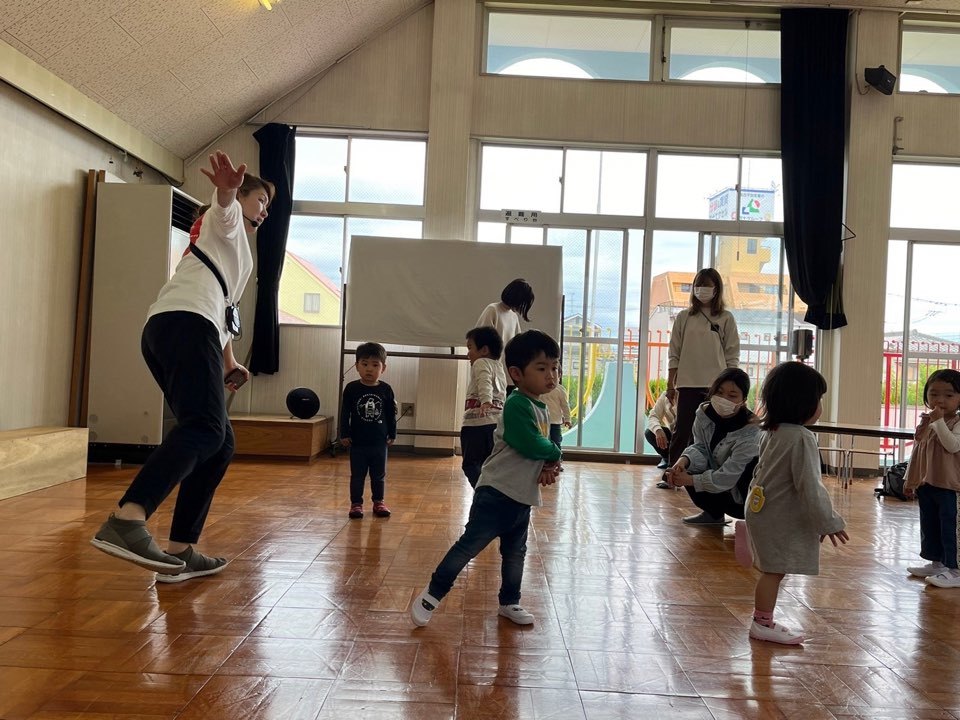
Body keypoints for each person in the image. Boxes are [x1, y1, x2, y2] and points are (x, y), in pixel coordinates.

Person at [90, 150, 274, 582]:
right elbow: (224, 211)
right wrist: (226, 192)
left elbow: (221, 308)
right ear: (242, 198)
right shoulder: (223, 222)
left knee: (219, 441)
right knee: (205, 428)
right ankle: (127, 518)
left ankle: (181, 549)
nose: (265, 210)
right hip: (185, 325)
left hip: (183, 328)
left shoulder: (231, 251)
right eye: (261, 200)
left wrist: (229, 361)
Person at [411, 330, 562, 627]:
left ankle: (510, 602)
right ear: (516, 373)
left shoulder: (541, 407)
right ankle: (433, 593)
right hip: (496, 494)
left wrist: (549, 463)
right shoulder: (517, 404)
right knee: (468, 546)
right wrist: (553, 454)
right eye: (542, 368)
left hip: (521, 497)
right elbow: (531, 443)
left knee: (515, 554)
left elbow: (546, 446)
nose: (551, 375)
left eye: (555, 367)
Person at [744, 362, 848, 645]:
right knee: (774, 571)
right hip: (776, 515)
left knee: (772, 568)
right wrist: (828, 521)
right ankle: (762, 624)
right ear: (803, 401)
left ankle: (763, 621)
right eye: (819, 399)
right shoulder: (801, 437)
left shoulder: (773, 431)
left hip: (762, 510)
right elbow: (810, 487)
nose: (820, 406)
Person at [666, 268, 740, 467]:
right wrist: (670, 384)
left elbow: (732, 354)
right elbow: (674, 353)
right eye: (698, 285)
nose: (702, 289)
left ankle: (710, 472)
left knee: (714, 431)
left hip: (716, 387)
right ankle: (673, 472)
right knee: (682, 430)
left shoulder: (726, 318)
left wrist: (731, 386)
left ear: (717, 289)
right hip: (687, 384)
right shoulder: (683, 317)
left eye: (707, 285)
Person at [666, 368, 759, 524]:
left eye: (732, 395)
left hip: (745, 499)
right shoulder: (704, 414)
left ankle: (749, 520)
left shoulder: (751, 429)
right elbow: (700, 447)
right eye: (719, 392)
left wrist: (689, 480)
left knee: (691, 477)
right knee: (686, 468)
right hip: (720, 483)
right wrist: (683, 461)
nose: (723, 399)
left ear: (743, 400)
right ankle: (713, 514)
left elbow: (728, 476)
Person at [904, 369, 960, 588]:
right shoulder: (927, 421)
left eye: (949, 395)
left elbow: (952, 445)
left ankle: (955, 569)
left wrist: (938, 422)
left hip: (950, 485)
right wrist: (910, 479)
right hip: (928, 482)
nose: (940, 400)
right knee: (930, 524)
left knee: (950, 526)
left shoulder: (956, 422)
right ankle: (937, 563)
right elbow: (918, 451)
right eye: (934, 394)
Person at [340, 342, 397, 519]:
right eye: (364, 364)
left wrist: (392, 433)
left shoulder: (386, 389)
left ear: (383, 368)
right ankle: (356, 504)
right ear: (357, 366)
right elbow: (345, 413)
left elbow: (390, 414)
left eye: (375, 365)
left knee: (378, 475)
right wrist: (344, 433)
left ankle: (379, 502)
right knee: (357, 475)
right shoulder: (351, 388)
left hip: (379, 441)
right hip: (357, 442)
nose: (369, 369)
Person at [461, 326, 507, 488]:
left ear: (484, 350)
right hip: (496, 424)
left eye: (470, 348)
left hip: (476, 424)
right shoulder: (499, 367)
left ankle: (484, 491)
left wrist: (486, 400)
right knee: (491, 464)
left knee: (470, 464)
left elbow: (484, 380)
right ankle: (493, 489)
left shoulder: (480, 362)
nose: (468, 353)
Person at [477, 278, 535, 393]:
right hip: (491, 373)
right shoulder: (493, 310)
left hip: (508, 374)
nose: (520, 307)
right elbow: (480, 340)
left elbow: (518, 344)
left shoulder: (513, 316)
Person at [645, 390, 677, 475]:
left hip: (687, 438)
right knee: (649, 433)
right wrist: (658, 430)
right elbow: (653, 416)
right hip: (673, 435)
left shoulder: (687, 395)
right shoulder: (665, 395)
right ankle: (667, 458)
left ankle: (676, 461)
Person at [542, 382, 572, 450]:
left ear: (559, 377)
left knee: (556, 442)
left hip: (555, 422)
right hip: (541, 421)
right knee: (542, 442)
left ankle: (557, 455)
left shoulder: (560, 389)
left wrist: (567, 419)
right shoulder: (538, 388)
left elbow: (565, 405)